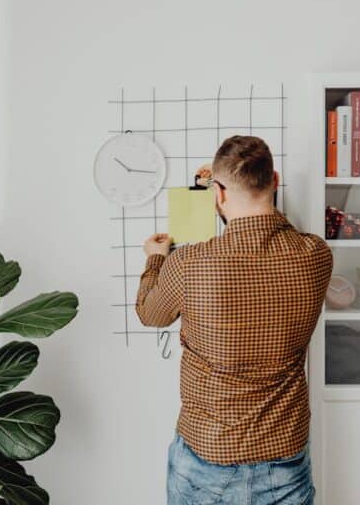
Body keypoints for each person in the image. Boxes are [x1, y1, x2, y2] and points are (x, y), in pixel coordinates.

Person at [136, 135, 332, 504]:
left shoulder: (189, 264)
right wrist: (235, 193)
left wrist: (155, 259)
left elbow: (150, 313)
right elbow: (281, 235)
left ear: (219, 195)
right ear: (274, 182)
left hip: (207, 457)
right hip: (284, 456)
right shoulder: (315, 256)